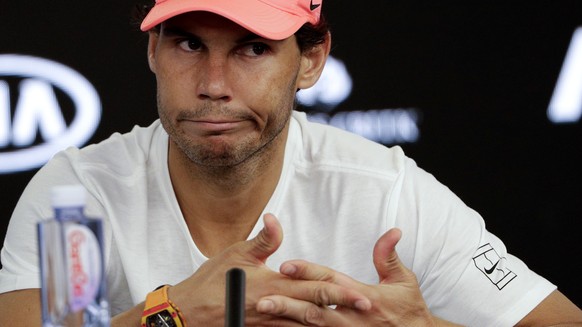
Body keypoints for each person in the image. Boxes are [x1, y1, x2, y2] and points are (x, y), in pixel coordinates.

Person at [0, 0, 581, 325]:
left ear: (311, 61)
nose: (214, 85)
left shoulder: (384, 193)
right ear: (153, 51)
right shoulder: (78, 197)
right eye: (188, 44)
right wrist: (173, 315)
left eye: (253, 49)